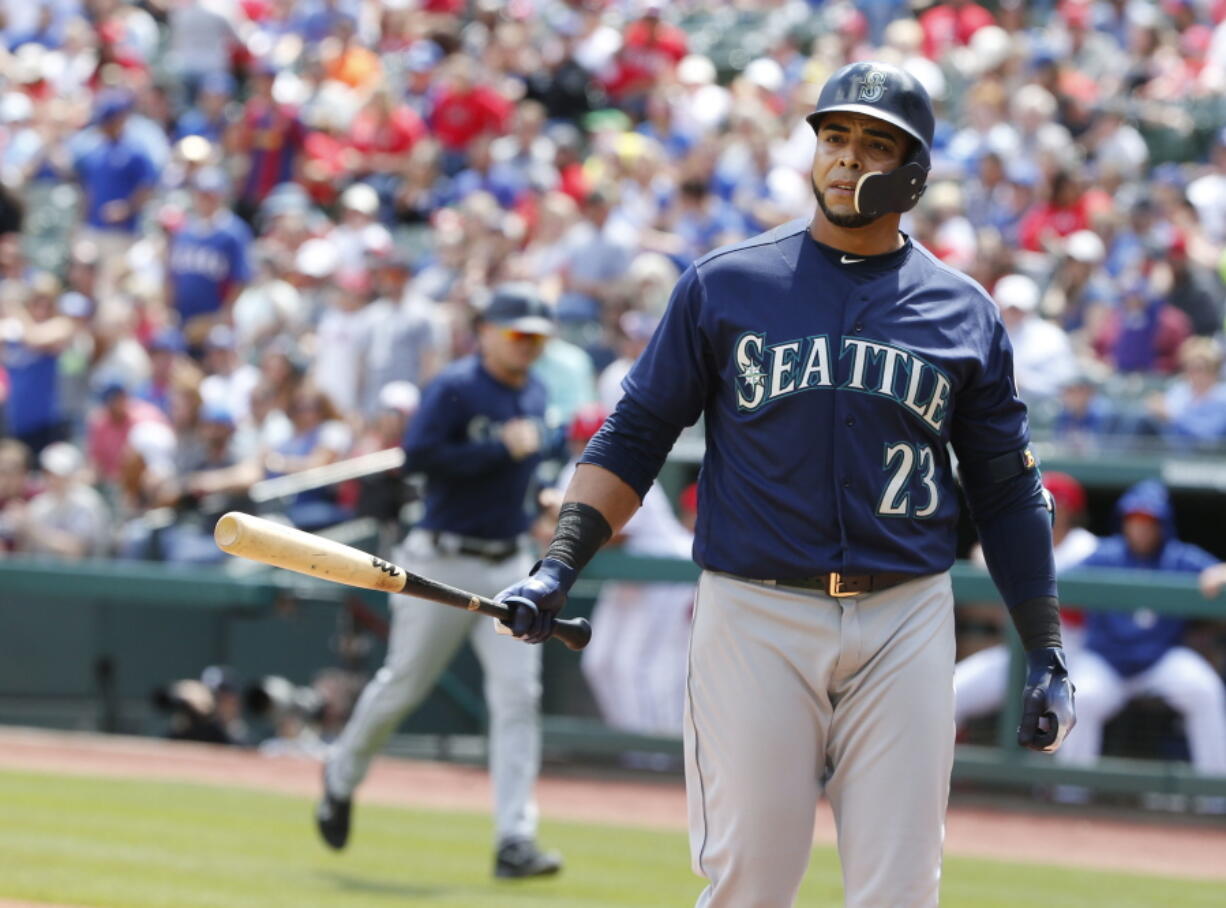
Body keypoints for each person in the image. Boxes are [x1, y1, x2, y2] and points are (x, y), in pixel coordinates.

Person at [493, 62, 1075, 907]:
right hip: (756, 610)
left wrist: (1046, 646)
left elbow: (1008, 491)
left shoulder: (964, 312)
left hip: (905, 613)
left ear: (914, 173)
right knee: (751, 882)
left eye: (873, 144)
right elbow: (634, 438)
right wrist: (560, 566)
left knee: (901, 889)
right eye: (834, 137)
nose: (845, 159)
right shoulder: (727, 284)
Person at [316, 284, 566, 879]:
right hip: (441, 558)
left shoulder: (537, 390)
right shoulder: (456, 386)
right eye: (517, 333)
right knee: (403, 684)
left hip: (508, 561)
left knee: (517, 697)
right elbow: (419, 458)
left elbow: (530, 466)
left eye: (536, 336)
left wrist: (543, 490)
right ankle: (341, 773)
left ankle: (515, 839)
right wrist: (495, 451)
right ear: (486, 331)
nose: (527, 345)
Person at [1053, 479, 1226, 810]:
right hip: (1106, 661)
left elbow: (1218, 570)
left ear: (1162, 523)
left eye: (1149, 521)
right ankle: (1069, 797)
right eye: (1135, 520)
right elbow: (1058, 581)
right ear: (1124, 521)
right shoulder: (1105, 555)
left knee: (1204, 689)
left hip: (1159, 661)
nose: (1141, 528)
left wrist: (1219, 573)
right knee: (1080, 699)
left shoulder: (1179, 558)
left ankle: (1214, 800)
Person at [954, 471, 1100, 727]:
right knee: (953, 693)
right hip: (1018, 655)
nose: (1047, 509)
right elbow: (980, 553)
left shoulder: (1085, 546)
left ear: (1071, 509)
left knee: (1058, 720)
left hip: (1073, 656)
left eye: (1056, 503)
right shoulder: (1026, 540)